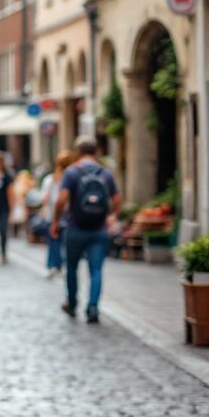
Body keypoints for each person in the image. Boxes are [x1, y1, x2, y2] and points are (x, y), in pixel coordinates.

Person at [51, 136, 121, 323]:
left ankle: (72, 303)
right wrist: (112, 216)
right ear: (96, 152)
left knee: (72, 267)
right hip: (99, 229)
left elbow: (61, 199)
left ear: (78, 152)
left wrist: (55, 221)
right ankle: (93, 307)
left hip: (76, 227)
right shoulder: (105, 173)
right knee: (96, 269)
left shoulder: (72, 172)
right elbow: (116, 197)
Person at [39, 151, 75, 278]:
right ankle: (63, 265)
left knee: (53, 242)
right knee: (66, 242)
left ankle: (53, 265)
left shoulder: (49, 180)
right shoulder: (72, 178)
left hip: (53, 214)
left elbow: (44, 199)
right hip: (68, 215)